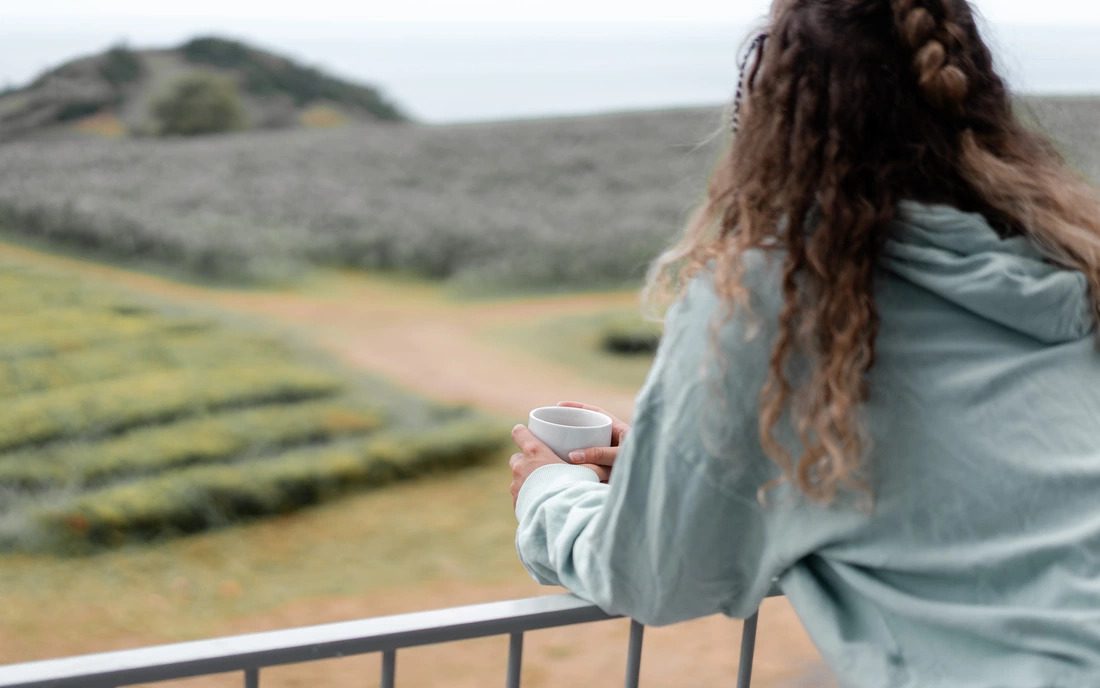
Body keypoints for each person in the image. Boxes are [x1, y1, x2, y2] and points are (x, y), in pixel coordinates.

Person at [507, 0, 1100, 685]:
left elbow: (650, 574)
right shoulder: (1066, 265)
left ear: (768, 119)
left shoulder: (774, 294)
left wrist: (552, 493)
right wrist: (665, 465)